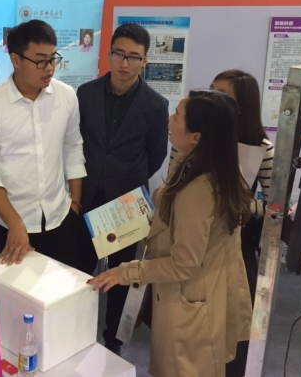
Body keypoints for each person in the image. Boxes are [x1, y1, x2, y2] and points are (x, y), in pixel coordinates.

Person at [89, 90, 253, 377]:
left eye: (177, 116)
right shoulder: (209, 164)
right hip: (203, 290)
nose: (169, 119)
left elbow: (183, 264)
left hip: (192, 301)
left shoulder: (199, 191)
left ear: (196, 136)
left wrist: (125, 272)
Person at [77, 22, 169, 354]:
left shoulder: (156, 105)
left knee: (121, 276)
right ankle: (73, 333)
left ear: (145, 60)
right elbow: (75, 143)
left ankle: (112, 343)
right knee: (78, 270)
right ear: (109, 53)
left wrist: (125, 178)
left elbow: (156, 155)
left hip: (126, 204)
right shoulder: (85, 94)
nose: (124, 63)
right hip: (86, 198)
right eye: (119, 54)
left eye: (133, 57)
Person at [0, 20, 88, 269]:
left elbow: (72, 146)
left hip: (60, 216)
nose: (49, 68)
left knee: (64, 286)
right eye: (40, 61)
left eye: (53, 59)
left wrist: (75, 201)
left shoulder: (66, 95)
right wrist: (15, 223)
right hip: (11, 224)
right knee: (18, 290)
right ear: (15, 59)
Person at [211, 70, 274, 377]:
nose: (211, 99)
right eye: (210, 91)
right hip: (198, 238)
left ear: (241, 107)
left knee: (235, 318)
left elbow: (274, 206)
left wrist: (243, 205)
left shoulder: (262, 147)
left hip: (238, 240)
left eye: (221, 94)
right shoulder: (197, 135)